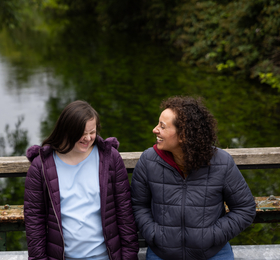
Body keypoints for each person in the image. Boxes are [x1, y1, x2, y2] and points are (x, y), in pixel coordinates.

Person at [131, 96, 256, 260]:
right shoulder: (148, 160)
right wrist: (154, 234)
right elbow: (138, 205)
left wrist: (212, 235)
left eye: (162, 126)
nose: (155, 130)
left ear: (183, 135)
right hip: (162, 253)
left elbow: (245, 209)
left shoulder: (222, 162)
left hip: (213, 253)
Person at [24, 100, 139, 260]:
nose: (88, 138)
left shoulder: (110, 158)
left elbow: (125, 213)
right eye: (82, 133)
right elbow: (34, 221)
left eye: (92, 132)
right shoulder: (41, 165)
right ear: (66, 130)